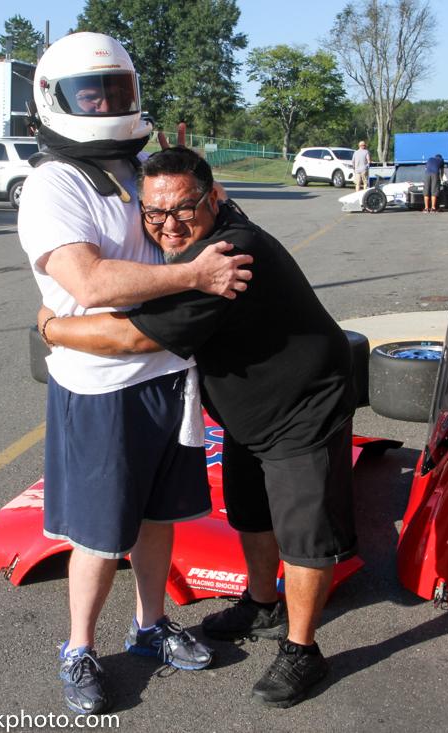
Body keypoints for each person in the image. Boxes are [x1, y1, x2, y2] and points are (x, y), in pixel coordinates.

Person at [38, 146, 357, 709]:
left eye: (184, 209)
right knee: (251, 512)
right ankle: (263, 605)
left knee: (304, 535)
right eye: (154, 213)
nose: (169, 225)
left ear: (212, 199)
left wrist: (50, 328)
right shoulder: (202, 241)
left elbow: (130, 337)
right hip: (249, 408)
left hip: (303, 403)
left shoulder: (222, 263)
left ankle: (303, 649)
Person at [17, 33, 253, 716]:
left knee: (158, 516)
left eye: (114, 91)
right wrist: (193, 275)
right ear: (54, 99)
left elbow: (197, 222)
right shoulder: (53, 183)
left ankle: (150, 627)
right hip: (102, 385)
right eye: (90, 94)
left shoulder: (138, 166)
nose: (104, 104)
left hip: (167, 374)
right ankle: (78, 647)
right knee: (99, 534)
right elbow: (90, 282)